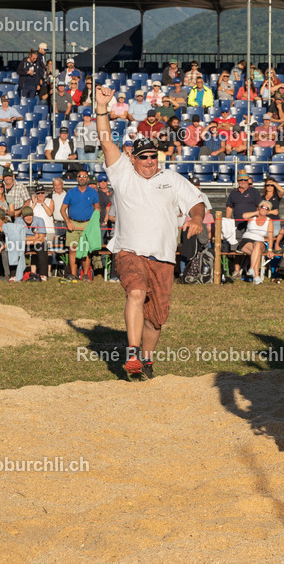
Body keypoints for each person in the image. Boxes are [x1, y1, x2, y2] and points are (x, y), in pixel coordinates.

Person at [93, 85, 204, 379]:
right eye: (143, 157)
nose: (149, 161)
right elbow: (106, 142)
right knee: (136, 293)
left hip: (164, 257)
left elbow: (197, 203)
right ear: (133, 158)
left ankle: (147, 360)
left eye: (153, 156)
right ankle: (131, 353)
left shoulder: (170, 178)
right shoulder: (121, 174)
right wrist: (102, 109)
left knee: (156, 320)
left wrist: (197, 218)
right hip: (129, 250)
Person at [60, 169, 100, 281]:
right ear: (77, 178)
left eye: (84, 176)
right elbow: (62, 210)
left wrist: (93, 223)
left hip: (87, 225)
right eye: (80, 176)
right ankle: (74, 275)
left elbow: (97, 208)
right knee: (73, 250)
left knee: (86, 250)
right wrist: (68, 222)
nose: (82, 178)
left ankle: (85, 274)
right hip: (72, 224)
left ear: (87, 179)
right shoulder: (71, 193)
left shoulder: (93, 193)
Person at [237, 203, 275, 285]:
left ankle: (251, 268)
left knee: (257, 245)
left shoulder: (269, 221)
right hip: (247, 240)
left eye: (266, 208)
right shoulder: (252, 218)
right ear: (259, 208)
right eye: (262, 207)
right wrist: (256, 213)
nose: (264, 209)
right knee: (256, 252)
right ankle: (256, 277)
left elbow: (270, 237)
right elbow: (244, 216)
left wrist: (270, 250)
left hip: (260, 241)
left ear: (268, 211)